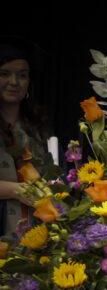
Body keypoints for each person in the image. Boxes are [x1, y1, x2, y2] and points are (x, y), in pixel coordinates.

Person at [0, 39, 49, 238]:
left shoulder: (39, 129)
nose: (14, 82)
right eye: (4, 74)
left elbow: (58, 174)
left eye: (22, 75)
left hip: (38, 237)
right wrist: (16, 190)